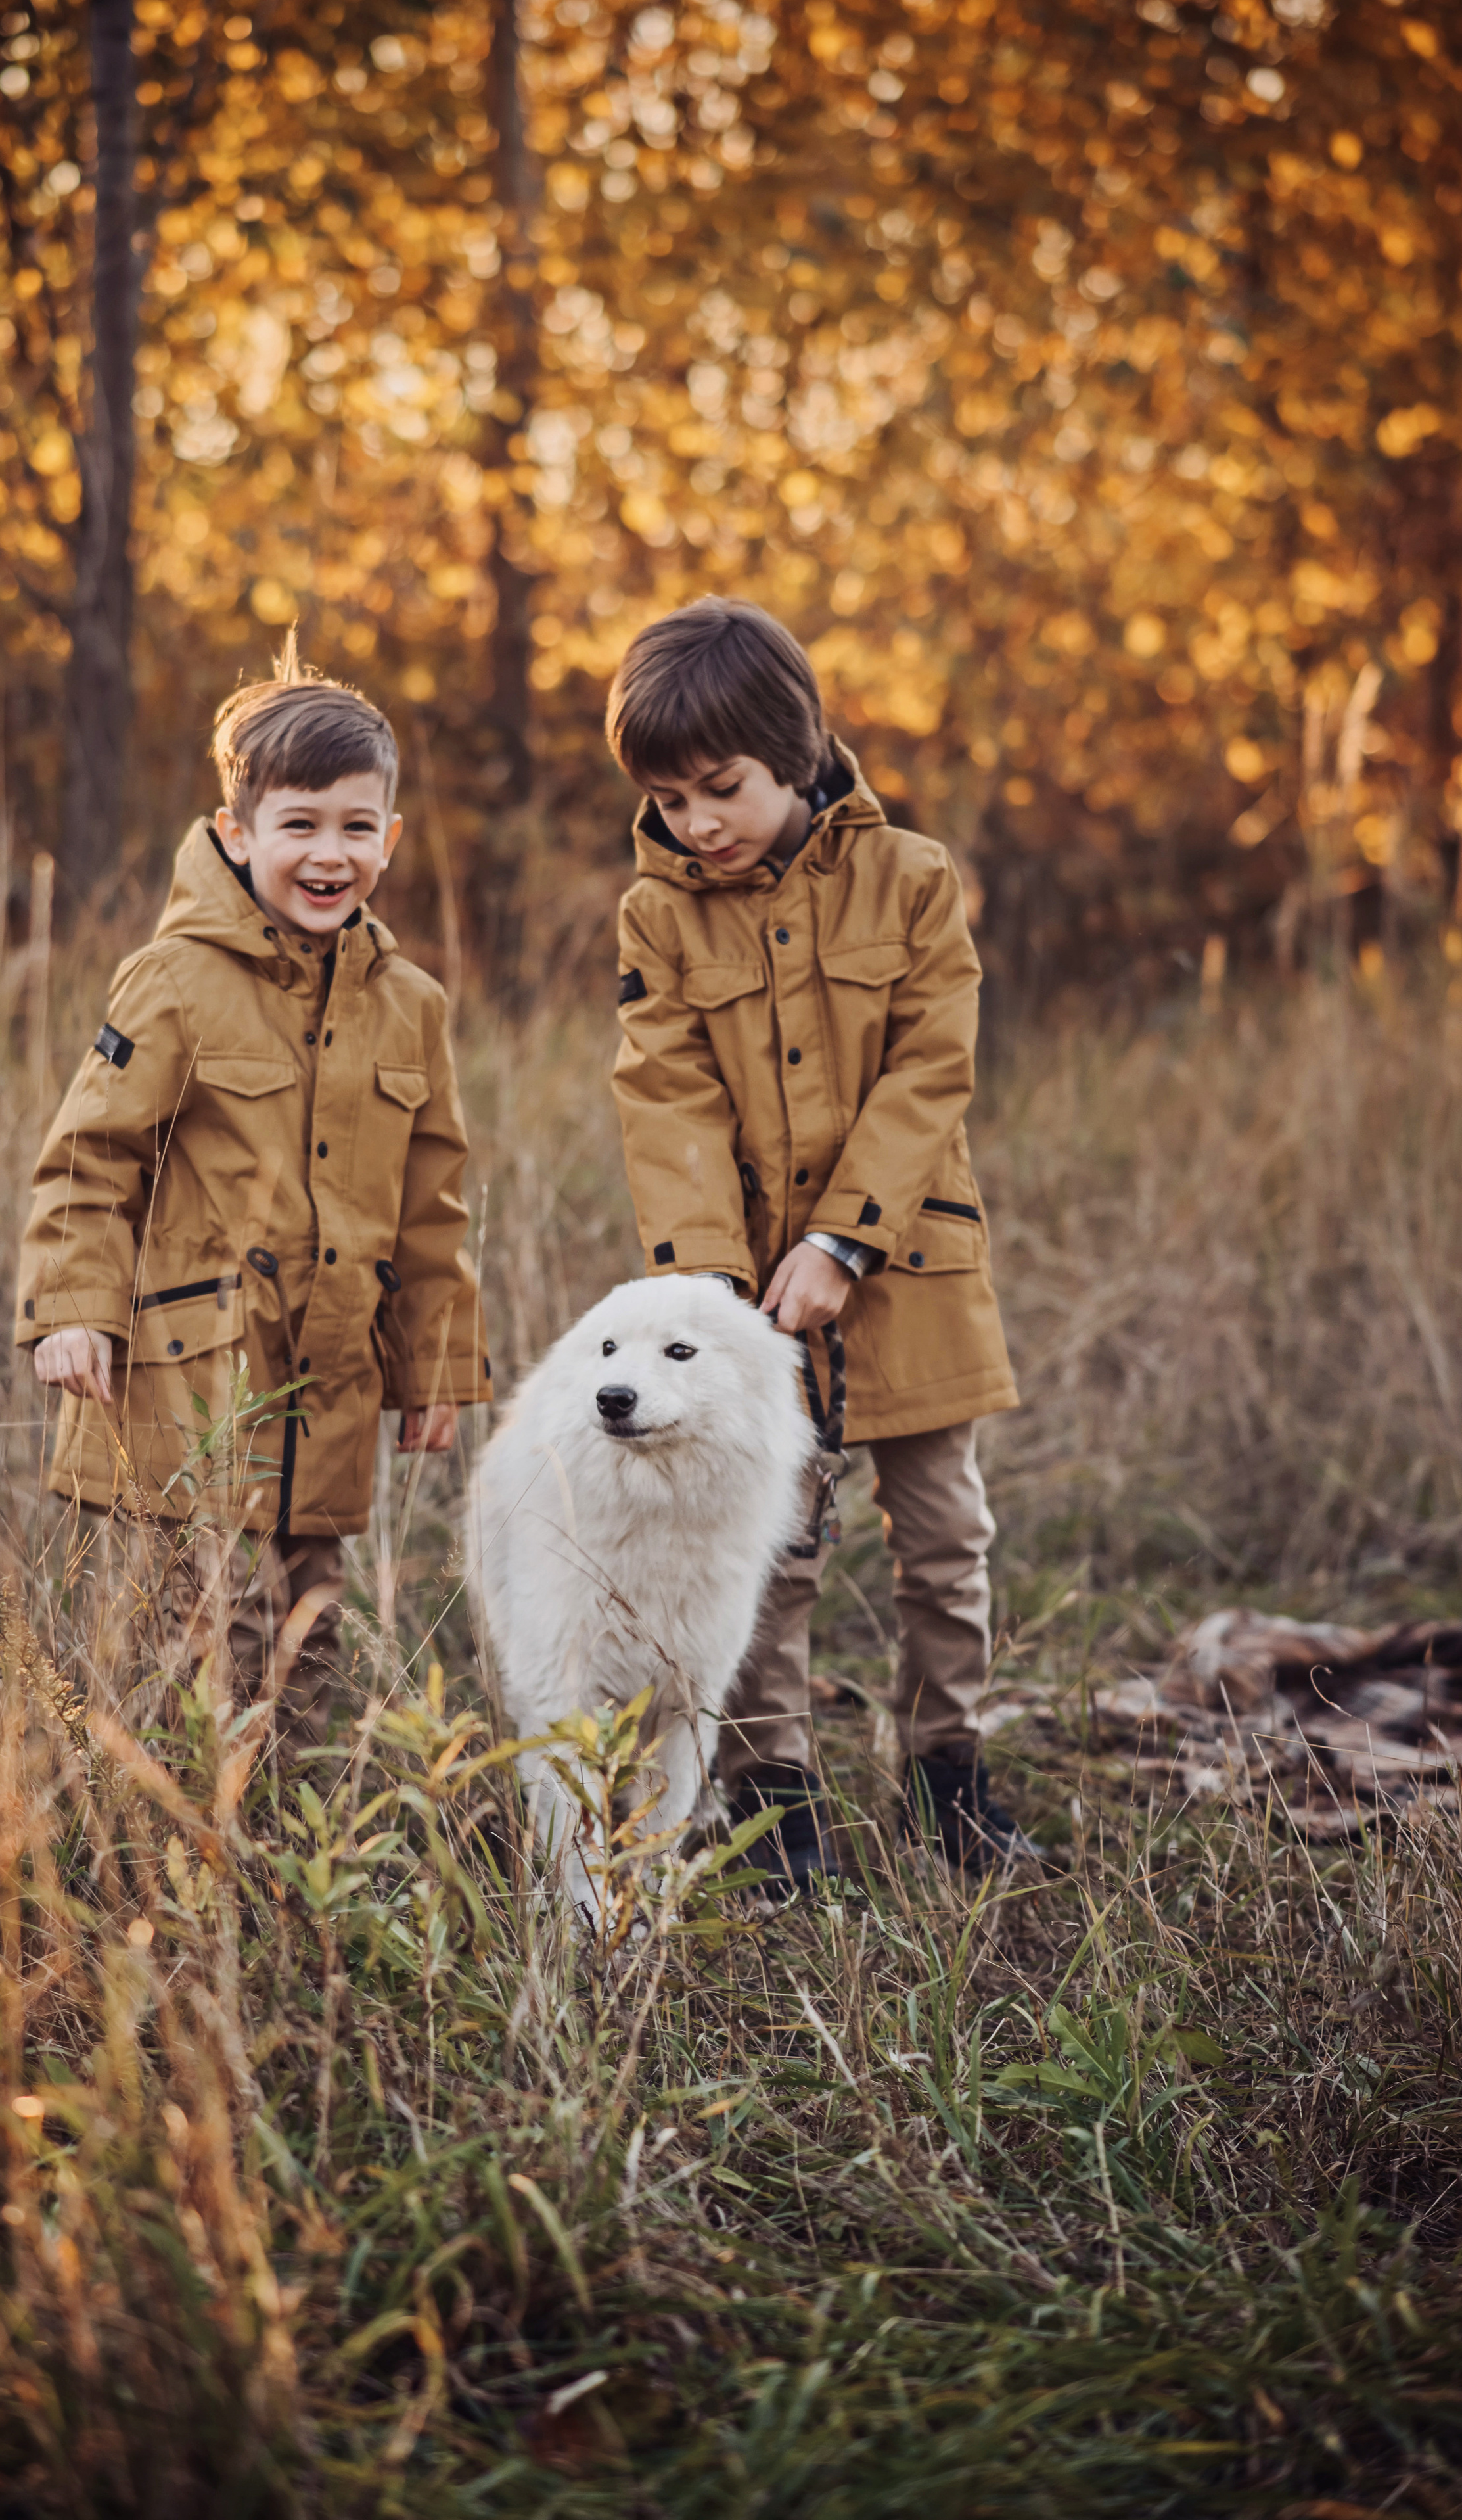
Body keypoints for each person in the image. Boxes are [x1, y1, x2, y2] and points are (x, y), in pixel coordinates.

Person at [606, 595, 1036, 1886]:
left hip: (910, 1280)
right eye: (670, 801)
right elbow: (662, 1091)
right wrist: (709, 1292)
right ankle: (771, 1805)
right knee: (768, 1548)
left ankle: (950, 1781)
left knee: (944, 1538)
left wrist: (844, 1243)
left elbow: (928, 1072)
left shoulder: (912, 881)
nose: (698, 824)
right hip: (748, 1314)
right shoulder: (656, 918)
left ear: (793, 750)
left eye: (720, 789)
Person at [16, 631, 488, 1729]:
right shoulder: (176, 980)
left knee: (308, 1632)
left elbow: (433, 1204)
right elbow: (90, 1159)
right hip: (198, 1381)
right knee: (214, 1641)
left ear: (392, 837)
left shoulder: (410, 1003)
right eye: (301, 826)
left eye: (357, 827)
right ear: (238, 833)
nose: (331, 854)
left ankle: (294, 1878)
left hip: (326, 1382)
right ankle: (195, 1867)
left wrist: (437, 1364)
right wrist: (74, 1309)